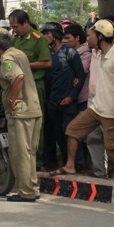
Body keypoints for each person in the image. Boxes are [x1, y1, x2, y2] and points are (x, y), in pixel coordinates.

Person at [60, 20, 114, 178]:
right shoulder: (98, 54)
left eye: (91, 35)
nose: (87, 38)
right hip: (95, 107)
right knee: (73, 130)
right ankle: (70, 166)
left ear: (101, 36)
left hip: (111, 111)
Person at [0, 32, 42, 202]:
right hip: (34, 108)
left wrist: (13, 99)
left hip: (21, 112)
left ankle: (25, 191)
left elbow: (18, 77)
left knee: (20, 152)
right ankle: (32, 186)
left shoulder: (7, 59)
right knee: (30, 151)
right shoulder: (20, 53)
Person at [8, 10, 52, 162]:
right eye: (12, 27)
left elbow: (47, 62)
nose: (14, 30)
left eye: (16, 26)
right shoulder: (16, 40)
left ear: (26, 23)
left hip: (34, 85)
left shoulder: (38, 39)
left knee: (35, 123)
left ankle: (36, 159)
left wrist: (25, 65)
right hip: (18, 85)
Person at [40, 23, 84, 171]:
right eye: (44, 33)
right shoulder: (47, 56)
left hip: (68, 102)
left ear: (56, 35)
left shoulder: (70, 53)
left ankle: (77, 164)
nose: (45, 37)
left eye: (48, 33)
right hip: (53, 102)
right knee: (58, 135)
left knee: (70, 132)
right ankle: (65, 163)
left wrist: (72, 96)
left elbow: (80, 76)